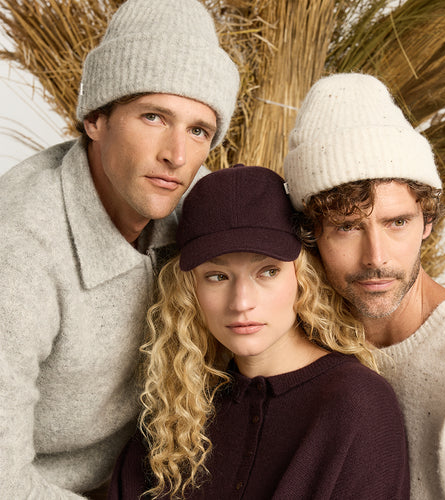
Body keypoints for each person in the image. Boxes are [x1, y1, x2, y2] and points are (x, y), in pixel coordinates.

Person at [0, 0, 239, 497]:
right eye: (154, 117)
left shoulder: (192, 202)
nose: (177, 155)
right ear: (96, 119)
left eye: (198, 130)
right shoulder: (19, 248)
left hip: (135, 479)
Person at [107, 164, 410, 500]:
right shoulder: (176, 415)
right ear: (188, 290)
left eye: (267, 272)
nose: (241, 302)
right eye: (217, 276)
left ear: (303, 277)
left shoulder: (357, 404)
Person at [284, 73, 445, 499]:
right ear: (311, 236)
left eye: (397, 222)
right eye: (347, 227)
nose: (376, 257)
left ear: (427, 221)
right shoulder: (300, 343)